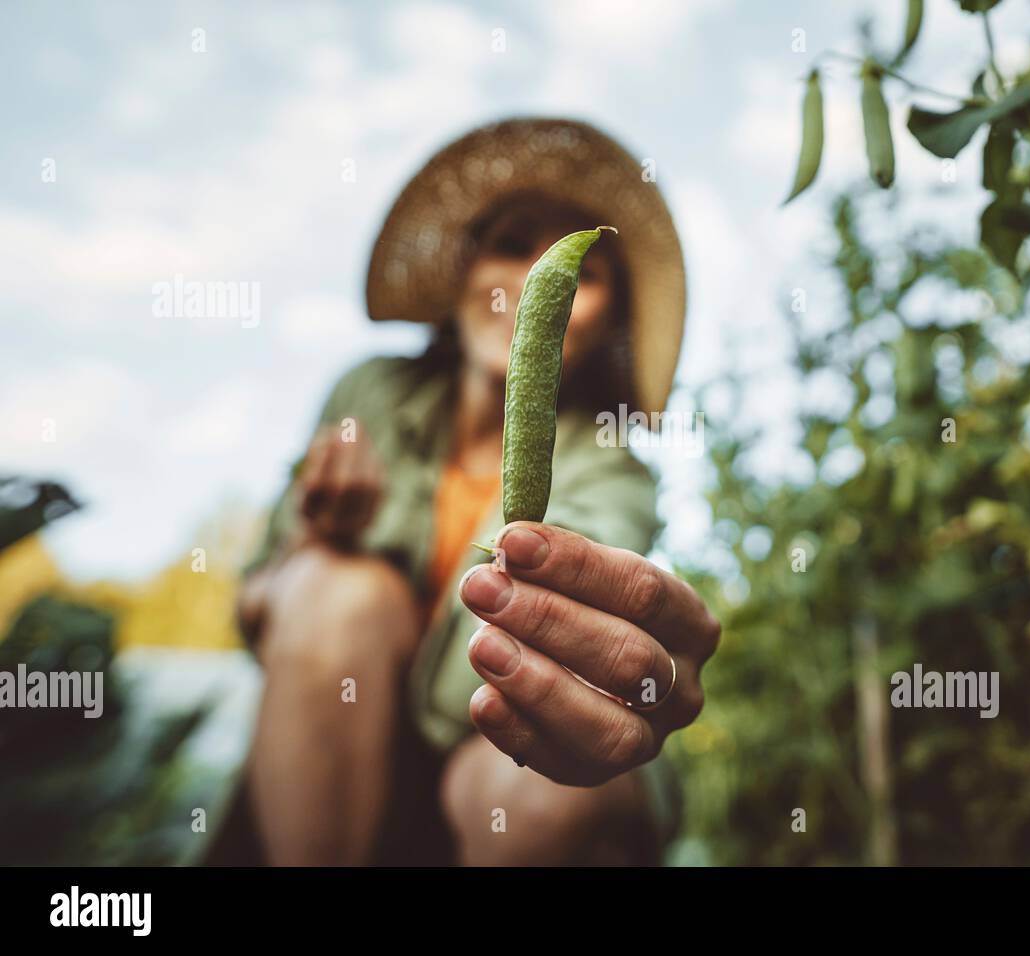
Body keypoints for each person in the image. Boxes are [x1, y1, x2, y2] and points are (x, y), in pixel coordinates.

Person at [220, 118, 719, 866]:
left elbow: (512, 688)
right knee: (339, 593)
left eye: (576, 272)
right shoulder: (371, 394)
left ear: (608, 319)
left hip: (487, 774)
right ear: (462, 269)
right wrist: (314, 540)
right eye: (511, 244)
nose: (526, 283)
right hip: (337, 777)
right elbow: (252, 607)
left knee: (538, 793)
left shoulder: (610, 463)